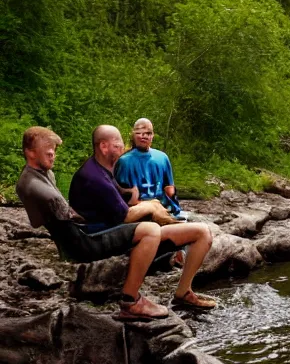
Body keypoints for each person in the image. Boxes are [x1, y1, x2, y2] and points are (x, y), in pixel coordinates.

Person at [17, 126, 216, 320]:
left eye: (53, 152)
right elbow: (64, 219)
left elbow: (54, 217)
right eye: (48, 152)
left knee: (202, 232)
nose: (53, 155)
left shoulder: (49, 175)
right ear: (30, 153)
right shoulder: (36, 184)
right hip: (85, 241)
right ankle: (131, 301)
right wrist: (148, 209)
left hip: (94, 231)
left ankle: (183, 293)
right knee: (151, 230)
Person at [114, 118, 183, 217]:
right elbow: (121, 195)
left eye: (148, 133)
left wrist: (176, 210)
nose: (144, 136)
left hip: (163, 208)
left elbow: (169, 189)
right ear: (133, 134)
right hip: (138, 210)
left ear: (152, 135)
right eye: (139, 132)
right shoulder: (124, 161)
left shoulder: (162, 158)